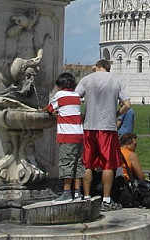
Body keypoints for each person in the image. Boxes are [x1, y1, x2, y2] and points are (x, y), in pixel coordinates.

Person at [76, 59, 131, 210]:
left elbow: (75, 98)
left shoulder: (87, 79)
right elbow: (127, 104)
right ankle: (106, 200)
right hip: (107, 127)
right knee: (108, 164)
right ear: (108, 68)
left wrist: (82, 115)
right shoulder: (116, 80)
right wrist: (117, 114)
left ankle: (86, 196)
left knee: (87, 162)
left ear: (98, 67)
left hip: (89, 126)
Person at [46, 72, 85, 202]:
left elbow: (50, 109)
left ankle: (67, 192)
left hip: (67, 136)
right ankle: (78, 192)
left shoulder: (60, 95)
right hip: (79, 134)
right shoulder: (76, 96)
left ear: (60, 85)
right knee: (78, 164)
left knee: (66, 163)